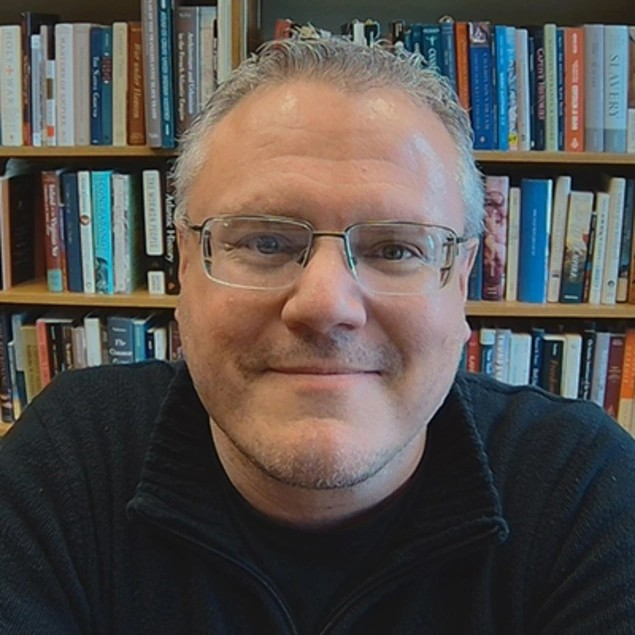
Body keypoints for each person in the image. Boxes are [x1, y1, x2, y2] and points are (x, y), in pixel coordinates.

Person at [1, 37, 634, 635]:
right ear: (186, 269)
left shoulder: (583, 493)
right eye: (265, 242)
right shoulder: (69, 465)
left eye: (395, 248)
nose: (326, 305)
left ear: (461, 281)